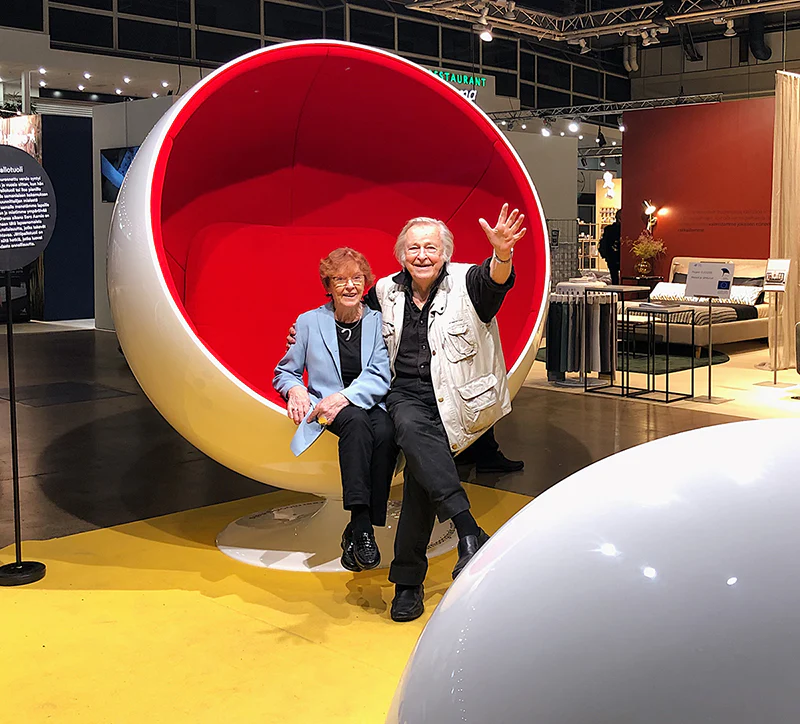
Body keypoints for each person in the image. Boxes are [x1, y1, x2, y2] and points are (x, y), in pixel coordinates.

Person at [367, 204, 525, 622]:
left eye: (431, 248)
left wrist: (503, 254)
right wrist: (303, 333)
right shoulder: (385, 291)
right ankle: (467, 530)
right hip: (403, 395)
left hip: (452, 402)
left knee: (422, 469)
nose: (422, 255)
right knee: (408, 423)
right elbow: (346, 320)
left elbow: (496, 283)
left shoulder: (468, 282)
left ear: (445, 253)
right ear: (402, 253)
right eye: (414, 247)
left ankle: (408, 584)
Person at [273, 248, 398, 572]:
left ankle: (356, 531)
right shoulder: (308, 322)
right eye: (339, 279)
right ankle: (362, 523)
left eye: (356, 278)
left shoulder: (377, 321)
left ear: (366, 284)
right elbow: (284, 372)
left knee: (385, 430)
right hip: (327, 406)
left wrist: (345, 395)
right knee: (356, 422)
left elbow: (380, 372)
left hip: (368, 398)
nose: (349, 286)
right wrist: (297, 388)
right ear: (328, 286)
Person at [599, 208, 622, 285]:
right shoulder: (611, 230)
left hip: (611, 258)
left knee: (615, 278)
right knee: (615, 278)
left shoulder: (609, 229)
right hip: (613, 257)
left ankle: (616, 293)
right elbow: (605, 244)